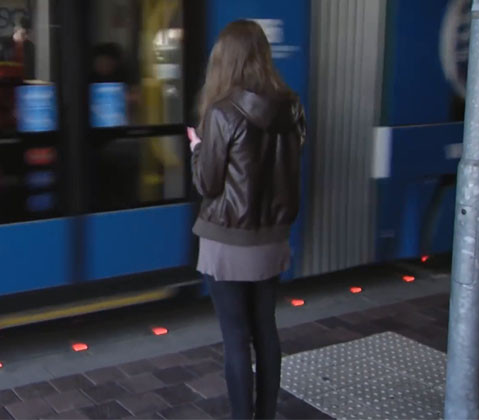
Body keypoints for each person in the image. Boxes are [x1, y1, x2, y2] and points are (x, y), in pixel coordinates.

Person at [188, 20, 306, 419]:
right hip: (272, 237)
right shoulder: (290, 107)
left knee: (236, 338)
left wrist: (197, 148)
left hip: (228, 240)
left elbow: (208, 182)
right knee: (265, 330)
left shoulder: (223, 113)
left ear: (225, 60)